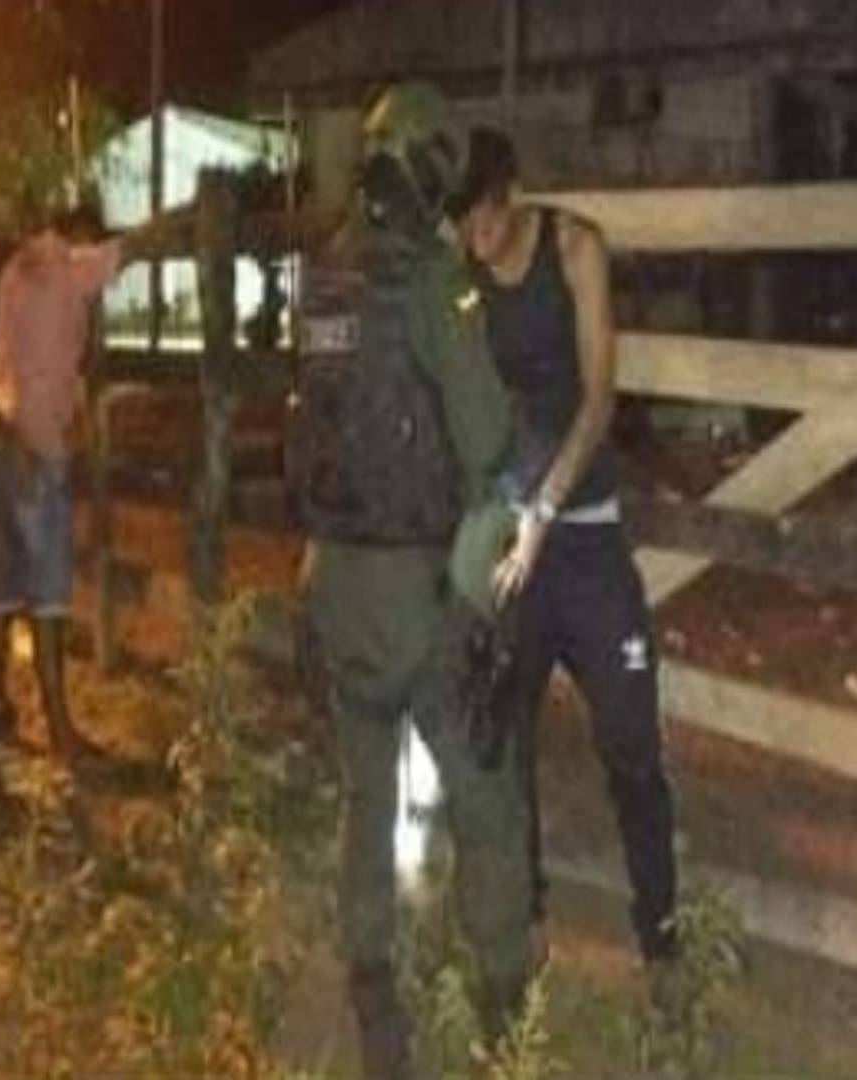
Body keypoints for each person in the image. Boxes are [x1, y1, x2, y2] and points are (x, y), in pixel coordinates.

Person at [291, 81, 534, 1078]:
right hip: (418, 592)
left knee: (366, 795)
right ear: (430, 165)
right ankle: (504, 1003)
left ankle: (371, 988)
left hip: (332, 583)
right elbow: (487, 440)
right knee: (486, 796)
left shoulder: (324, 274)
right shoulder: (437, 283)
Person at [450, 128, 679, 977]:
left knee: (630, 741)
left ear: (507, 194)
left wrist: (544, 508)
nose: (472, 234)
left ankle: (662, 936)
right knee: (505, 735)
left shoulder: (576, 248)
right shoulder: (462, 275)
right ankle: (529, 913)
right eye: (459, 220)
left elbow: (599, 399)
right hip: (506, 540)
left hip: (582, 536)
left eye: (480, 215)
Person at [0, 196, 176, 760]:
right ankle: (60, 728)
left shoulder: (16, 269)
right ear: (81, 233)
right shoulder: (71, 268)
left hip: (1, 442)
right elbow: (135, 246)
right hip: (39, 450)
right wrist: (178, 219)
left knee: (1, 582)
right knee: (47, 595)